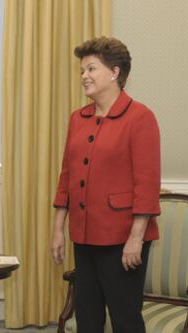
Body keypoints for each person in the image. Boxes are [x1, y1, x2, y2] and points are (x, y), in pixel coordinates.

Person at [51, 37, 161, 333]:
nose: (84, 75)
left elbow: (147, 185)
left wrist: (136, 238)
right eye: (82, 70)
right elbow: (67, 177)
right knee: (87, 317)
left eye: (91, 68)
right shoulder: (78, 118)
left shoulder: (141, 117)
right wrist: (58, 229)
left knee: (125, 318)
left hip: (123, 238)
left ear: (114, 72)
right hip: (84, 234)